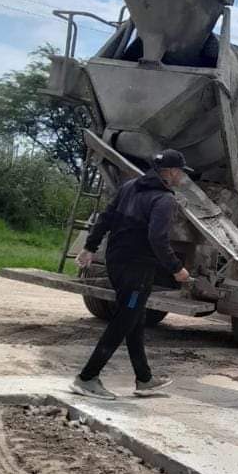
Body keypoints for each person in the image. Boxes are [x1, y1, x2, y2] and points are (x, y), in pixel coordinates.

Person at [71, 149, 192, 401]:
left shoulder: (129, 186)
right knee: (124, 320)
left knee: (135, 318)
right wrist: (176, 268)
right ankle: (87, 378)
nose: (182, 176)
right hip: (137, 271)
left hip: (116, 262)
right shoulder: (164, 199)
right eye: (181, 171)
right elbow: (157, 239)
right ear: (169, 172)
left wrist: (89, 248)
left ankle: (144, 379)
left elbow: (106, 218)